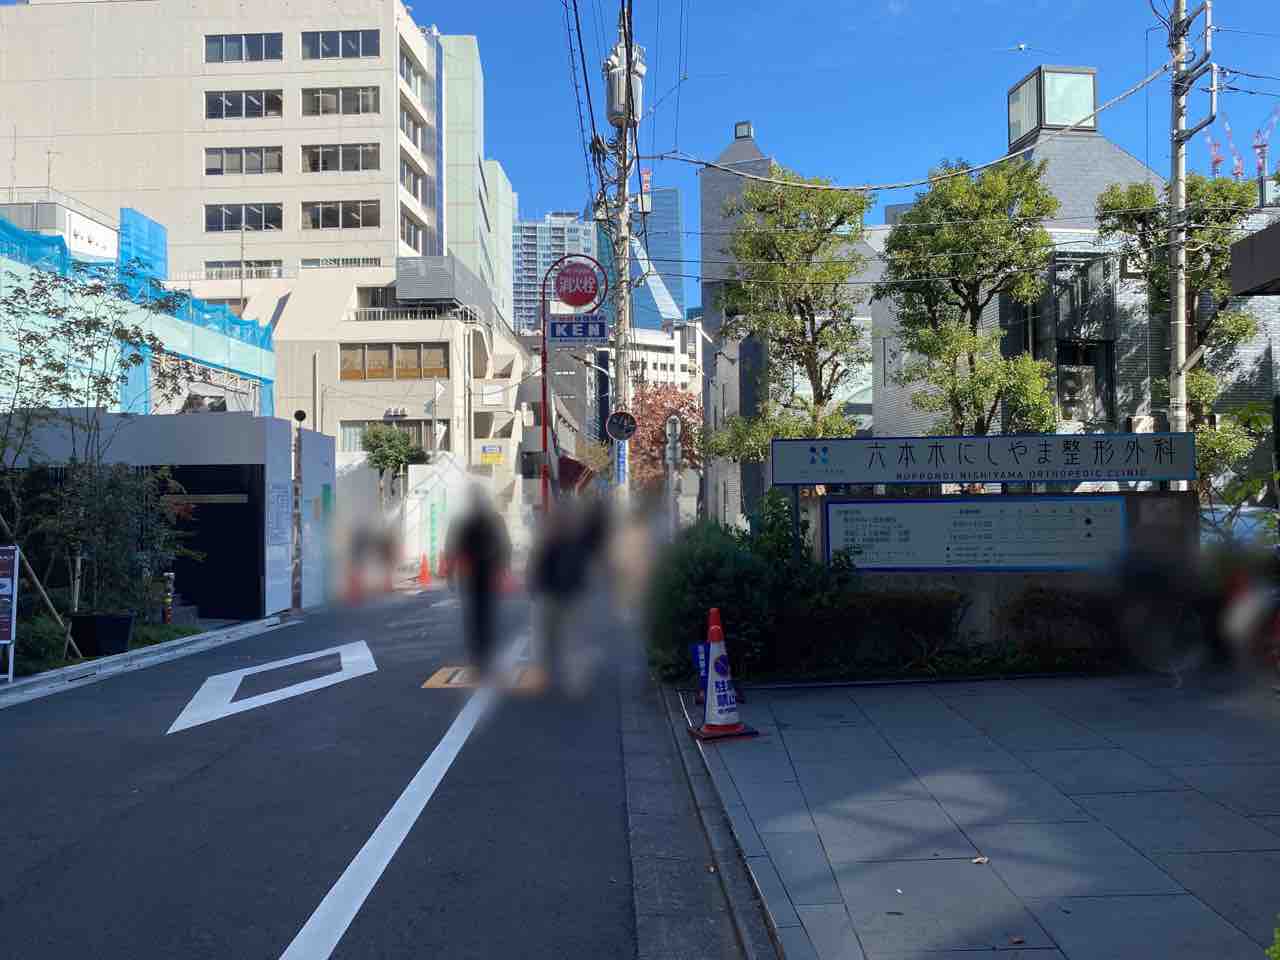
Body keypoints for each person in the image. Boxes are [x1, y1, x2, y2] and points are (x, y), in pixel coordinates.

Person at [445, 483, 512, 674]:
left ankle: (479, 656)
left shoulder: (462, 520)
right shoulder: (493, 518)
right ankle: (484, 655)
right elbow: (505, 544)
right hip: (484, 572)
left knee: (476, 615)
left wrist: (450, 572)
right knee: (484, 614)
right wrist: (505, 567)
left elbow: (451, 547)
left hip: (474, 573)